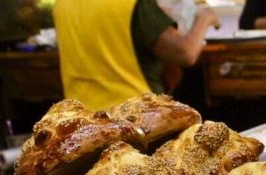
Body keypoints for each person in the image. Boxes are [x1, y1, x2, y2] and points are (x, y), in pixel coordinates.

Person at [53, 0, 221, 110]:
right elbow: (185, 53)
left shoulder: (62, 4)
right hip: (135, 117)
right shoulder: (132, 3)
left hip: (81, 118)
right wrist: (205, 17)